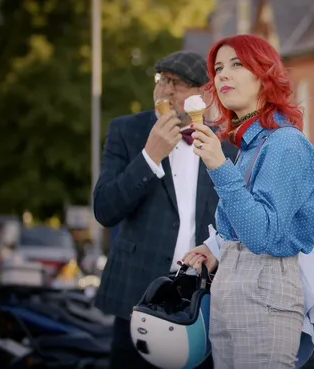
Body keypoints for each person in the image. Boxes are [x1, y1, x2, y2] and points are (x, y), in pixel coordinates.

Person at [180, 34, 314, 369]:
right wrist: (215, 249)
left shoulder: (286, 143)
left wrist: (218, 165)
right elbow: (246, 224)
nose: (222, 75)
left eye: (236, 64)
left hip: (265, 288)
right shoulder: (248, 146)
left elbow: (261, 234)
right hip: (232, 284)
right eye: (217, 68)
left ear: (264, 74)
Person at [92, 50, 237, 369]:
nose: (167, 90)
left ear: (203, 95)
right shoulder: (126, 130)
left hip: (201, 298)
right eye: (163, 80)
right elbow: (105, 209)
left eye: (180, 84)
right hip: (137, 295)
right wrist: (149, 157)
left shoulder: (226, 143)